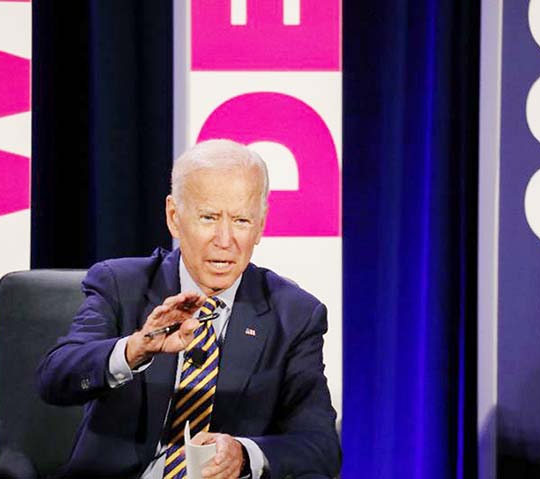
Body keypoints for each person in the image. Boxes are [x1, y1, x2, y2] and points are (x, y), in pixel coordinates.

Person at [36, 139, 341, 479]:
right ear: (174, 217)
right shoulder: (121, 285)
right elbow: (55, 378)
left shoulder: (294, 315)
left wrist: (243, 455)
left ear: (261, 225)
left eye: (241, 220)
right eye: (209, 217)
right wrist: (134, 349)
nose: (225, 240)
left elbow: (320, 447)